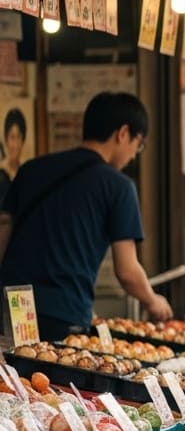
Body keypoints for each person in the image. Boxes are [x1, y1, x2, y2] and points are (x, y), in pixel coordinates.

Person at [0, 92, 171, 340]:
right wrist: (153, 301)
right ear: (123, 133)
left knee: (11, 378)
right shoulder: (119, 187)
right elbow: (127, 271)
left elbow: (4, 228)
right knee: (48, 377)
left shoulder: (31, 169)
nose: (134, 154)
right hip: (63, 314)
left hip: (12, 305)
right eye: (138, 144)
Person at [0, 107, 27, 201]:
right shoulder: (1, 170)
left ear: (23, 140)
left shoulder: (27, 170)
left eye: (18, 137)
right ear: (6, 139)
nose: (15, 144)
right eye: (12, 137)